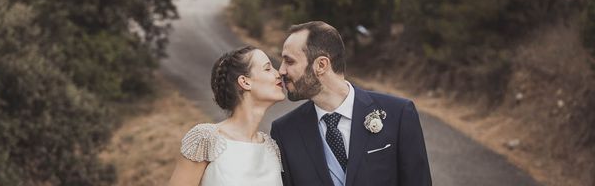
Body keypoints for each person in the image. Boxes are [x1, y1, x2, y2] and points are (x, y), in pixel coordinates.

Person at [271, 21, 432, 186]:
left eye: (289, 62)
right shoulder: (284, 131)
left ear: (321, 65)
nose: (281, 70)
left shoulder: (399, 114)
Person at [168, 46, 286, 186]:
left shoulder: (272, 149)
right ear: (245, 82)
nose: (278, 73)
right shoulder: (205, 138)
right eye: (267, 68)